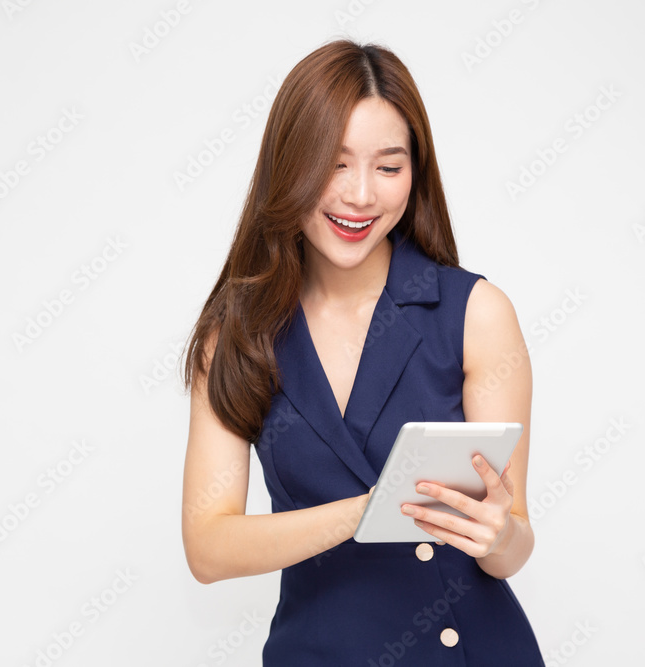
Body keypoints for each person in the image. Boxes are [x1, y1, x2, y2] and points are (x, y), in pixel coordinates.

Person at [180, 39, 545, 666]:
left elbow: (513, 544)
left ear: (415, 174)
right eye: (334, 162)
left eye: (388, 166)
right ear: (288, 165)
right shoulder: (237, 334)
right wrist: (369, 512)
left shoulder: (475, 314)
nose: (360, 196)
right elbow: (208, 548)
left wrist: (500, 533)